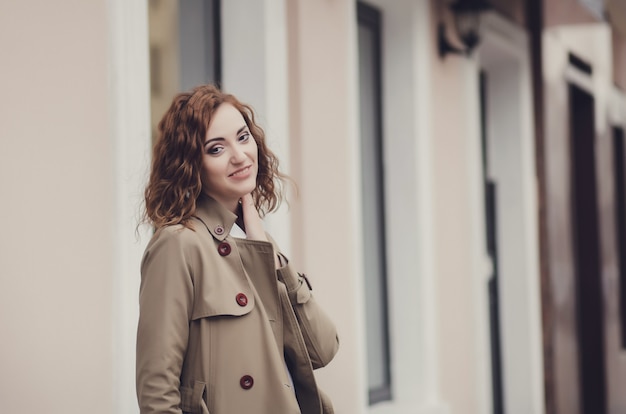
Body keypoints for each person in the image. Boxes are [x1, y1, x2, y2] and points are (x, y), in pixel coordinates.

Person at [136, 84, 339, 414]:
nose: (239, 155)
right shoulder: (179, 244)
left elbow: (323, 348)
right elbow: (157, 391)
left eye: (243, 137)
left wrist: (266, 246)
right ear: (191, 165)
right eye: (216, 149)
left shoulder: (252, 246)